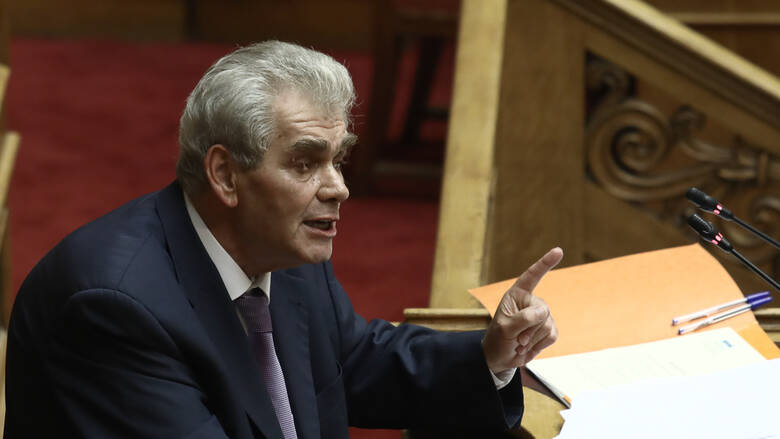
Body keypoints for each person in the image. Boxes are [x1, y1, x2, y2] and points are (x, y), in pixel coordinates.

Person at [4, 41, 561, 438]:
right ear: (225, 175)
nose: (338, 187)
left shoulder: (282, 249)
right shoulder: (112, 310)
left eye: (338, 160)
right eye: (305, 163)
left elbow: (350, 362)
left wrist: (490, 355)